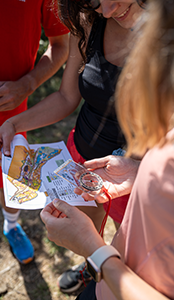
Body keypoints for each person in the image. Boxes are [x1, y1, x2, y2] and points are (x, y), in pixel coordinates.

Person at [0, 0, 144, 291]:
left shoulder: (166, 33)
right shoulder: (88, 20)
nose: (107, 11)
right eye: (95, 1)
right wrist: (14, 124)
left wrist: (142, 169)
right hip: (81, 159)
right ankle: (91, 267)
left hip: (138, 174)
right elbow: (66, 97)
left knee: (133, 257)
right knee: (87, 237)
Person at [40, 0, 174, 298]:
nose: (108, 10)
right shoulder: (159, 162)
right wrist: (140, 169)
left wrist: (96, 251)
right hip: (105, 166)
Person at [0, 0, 69, 264]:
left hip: (5, 120)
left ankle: (11, 225)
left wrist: (27, 84)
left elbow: (61, 46)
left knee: (12, 187)